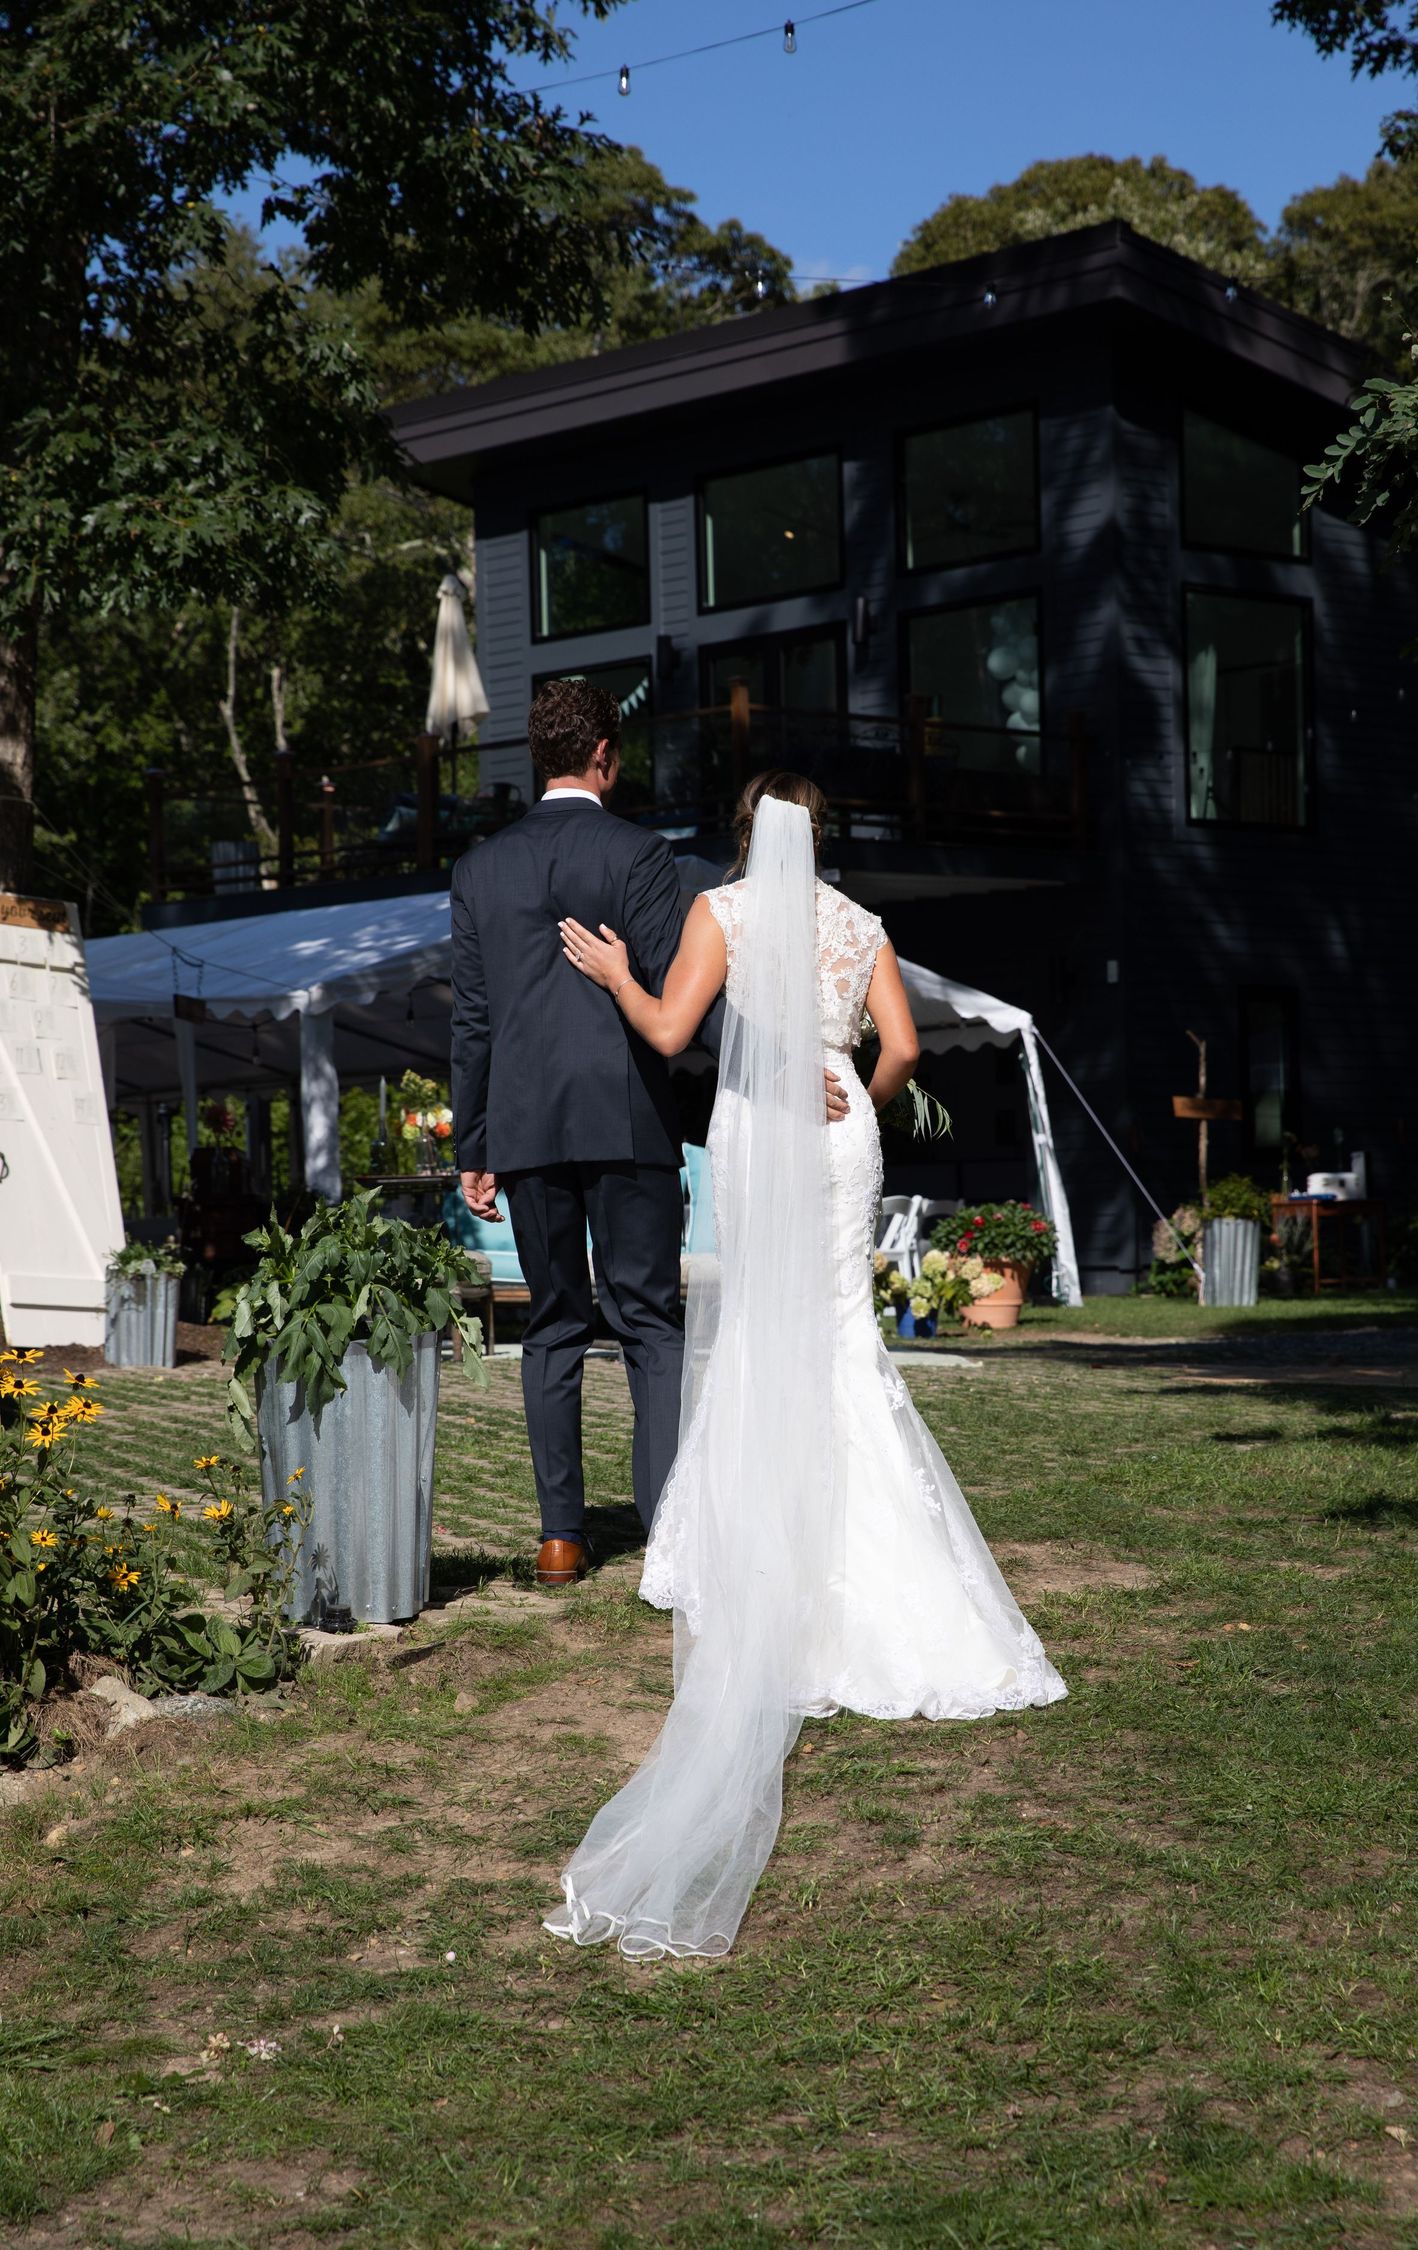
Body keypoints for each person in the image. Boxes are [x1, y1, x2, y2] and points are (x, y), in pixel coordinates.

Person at [545, 771, 1067, 1959]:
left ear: (742, 834)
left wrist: (620, 974)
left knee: (767, 1339)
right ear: (818, 836)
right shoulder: (861, 925)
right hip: (841, 1145)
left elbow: (675, 1034)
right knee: (840, 1337)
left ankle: (754, 1563)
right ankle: (879, 1579)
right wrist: (856, 1101)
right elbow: (900, 1048)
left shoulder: (722, 915)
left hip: (758, 1138)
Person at [449, 684, 849, 1587]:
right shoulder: (640, 855)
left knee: (550, 1328)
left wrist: (473, 1144)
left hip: (523, 1127)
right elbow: (683, 996)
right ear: (605, 754)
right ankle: (666, 1531)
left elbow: (472, 1022)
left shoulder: (477, 871)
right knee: (648, 1325)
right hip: (627, 1117)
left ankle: (560, 1537)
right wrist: (783, 1067)